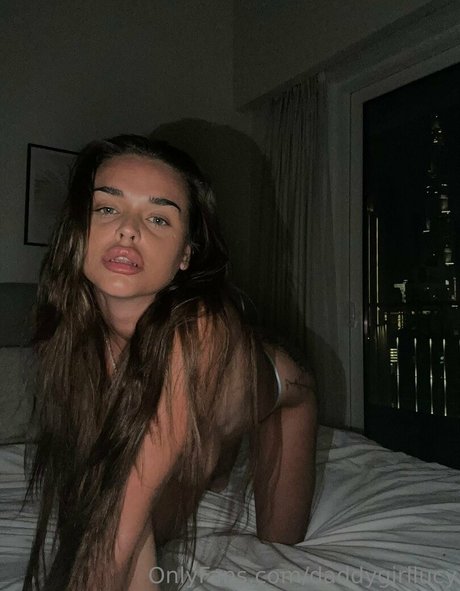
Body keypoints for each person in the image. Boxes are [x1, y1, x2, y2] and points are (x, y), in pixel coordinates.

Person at [23, 135, 317, 591]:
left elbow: (114, 537)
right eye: (107, 208)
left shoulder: (199, 330)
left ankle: (218, 447)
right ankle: (214, 448)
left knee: (281, 546)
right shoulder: (71, 337)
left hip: (283, 391)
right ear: (77, 230)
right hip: (205, 390)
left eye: (158, 217)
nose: (128, 229)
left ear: (185, 255)